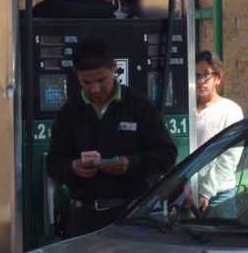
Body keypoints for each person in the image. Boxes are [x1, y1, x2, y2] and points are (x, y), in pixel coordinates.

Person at [47, 38, 177, 237]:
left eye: (101, 80)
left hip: (131, 217)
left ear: (114, 68)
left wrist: (130, 164)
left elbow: (167, 155)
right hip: (84, 219)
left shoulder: (139, 105)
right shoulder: (69, 112)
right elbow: (53, 163)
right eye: (86, 82)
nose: (95, 89)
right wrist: (73, 168)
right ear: (77, 76)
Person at [193, 51, 244, 210]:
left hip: (220, 195)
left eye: (206, 75)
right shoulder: (188, 111)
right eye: (197, 75)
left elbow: (230, 157)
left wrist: (206, 191)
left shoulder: (230, 110)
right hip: (188, 194)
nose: (201, 81)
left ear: (218, 78)